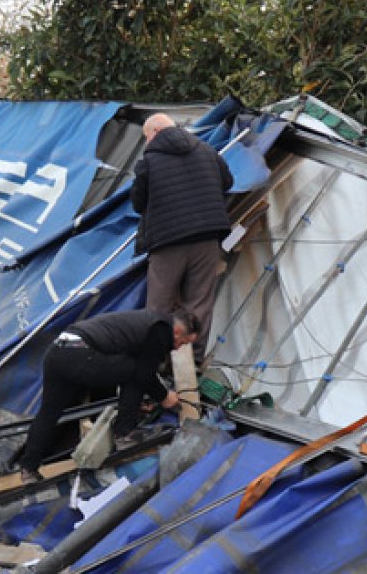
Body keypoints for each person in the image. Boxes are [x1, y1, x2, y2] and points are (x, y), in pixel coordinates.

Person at [17, 309, 196, 484]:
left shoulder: (145, 320)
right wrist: (164, 396)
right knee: (134, 373)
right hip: (79, 351)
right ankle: (124, 434)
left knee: (49, 412)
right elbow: (144, 374)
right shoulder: (160, 330)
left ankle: (28, 468)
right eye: (183, 342)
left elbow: (113, 369)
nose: (179, 348)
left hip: (60, 347)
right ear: (177, 331)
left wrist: (136, 402)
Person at [131, 113, 233, 360]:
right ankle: (193, 360)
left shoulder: (148, 161)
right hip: (208, 237)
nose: (147, 143)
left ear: (154, 132)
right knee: (199, 303)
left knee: (159, 306)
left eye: (146, 137)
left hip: (168, 241)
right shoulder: (209, 151)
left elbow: (137, 203)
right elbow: (228, 182)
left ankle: (154, 360)